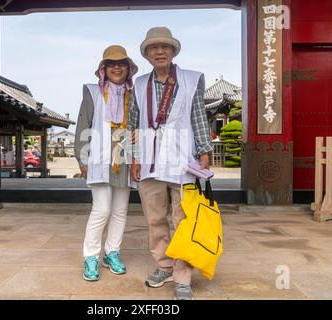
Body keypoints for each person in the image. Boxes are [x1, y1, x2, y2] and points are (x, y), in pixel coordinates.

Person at [128, 27, 213, 300]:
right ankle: (163, 265)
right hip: (149, 161)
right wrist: (133, 157)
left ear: (173, 51)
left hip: (182, 161)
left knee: (183, 220)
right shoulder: (139, 84)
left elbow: (199, 116)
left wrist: (204, 151)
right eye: (154, 48)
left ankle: (182, 275)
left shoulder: (190, 79)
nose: (160, 51)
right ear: (147, 54)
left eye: (165, 47)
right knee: (155, 219)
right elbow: (132, 123)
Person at [74, 45, 138, 281]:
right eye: (111, 64)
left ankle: (112, 252)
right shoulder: (93, 92)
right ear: (104, 68)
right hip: (99, 156)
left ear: (128, 68)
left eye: (122, 63)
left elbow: (139, 124)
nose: (117, 68)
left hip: (125, 156)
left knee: (120, 211)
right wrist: (82, 157)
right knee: (102, 209)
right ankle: (90, 256)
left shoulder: (134, 93)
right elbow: (84, 125)